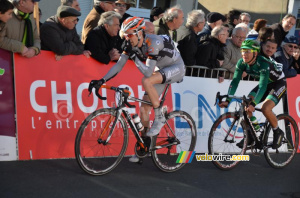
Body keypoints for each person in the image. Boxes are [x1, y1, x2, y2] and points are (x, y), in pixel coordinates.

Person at [88, 17, 185, 162]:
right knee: (144, 108)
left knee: (146, 80)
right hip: (160, 69)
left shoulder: (153, 42)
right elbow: (118, 66)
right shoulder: (130, 44)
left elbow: (147, 72)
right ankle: (144, 145)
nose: (127, 38)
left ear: (140, 33)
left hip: (176, 68)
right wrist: (102, 80)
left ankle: (159, 117)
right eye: (125, 35)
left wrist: (134, 57)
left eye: (130, 34)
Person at [219, 40, 286, 149]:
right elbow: (235, 81)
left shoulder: (263, 63)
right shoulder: (241, 63)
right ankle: (252, 134)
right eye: (243, 51)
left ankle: (277, 132)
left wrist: (254, 104)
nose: (244, 54)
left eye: (248, 51)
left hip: (278, 83)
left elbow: (262, 86)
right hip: (266, 83)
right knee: (246, 106)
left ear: (255, 53)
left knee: (265, 108)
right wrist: (228, 100)